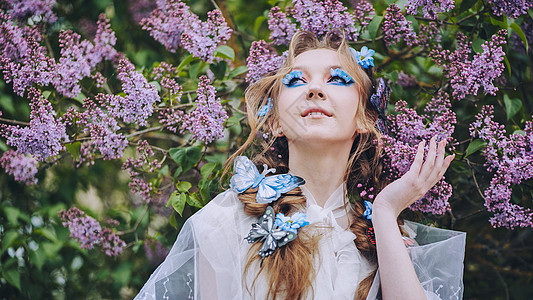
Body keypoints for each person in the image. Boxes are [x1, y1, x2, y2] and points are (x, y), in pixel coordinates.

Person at [135, 31, 466, 300]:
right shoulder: (224, 223)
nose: (315, 89)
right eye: (296, 80)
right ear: (277, 121)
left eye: (336, 79)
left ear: (365, 118)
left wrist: (384, 211)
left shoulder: (384, 237)